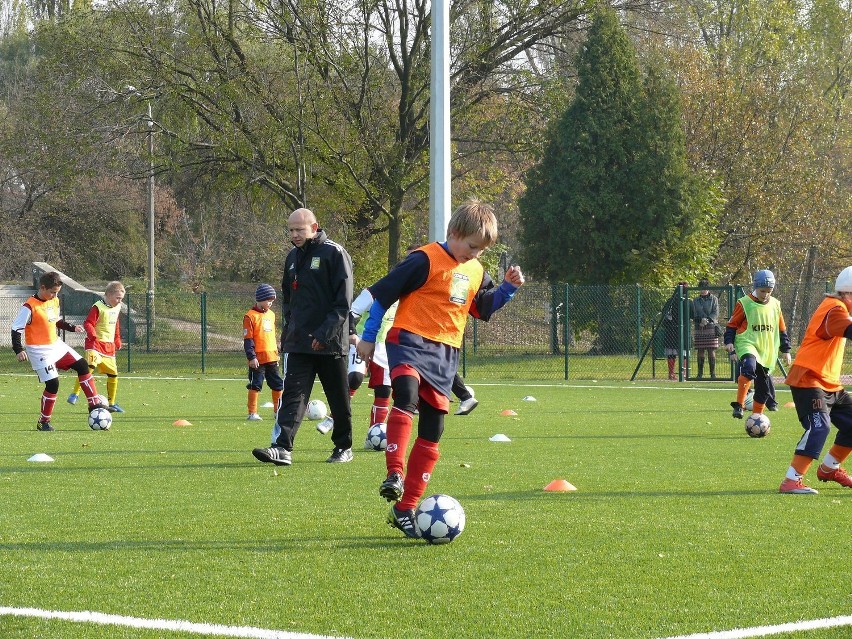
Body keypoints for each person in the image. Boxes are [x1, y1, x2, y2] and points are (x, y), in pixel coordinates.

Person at [356, 199, 525, 538]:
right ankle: (394, 474)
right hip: (408, 339)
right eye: (471, 246)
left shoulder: (477, 270)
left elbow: (481, 309)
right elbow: (382, 294)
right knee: (404, 396)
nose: (474, 255)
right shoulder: (424, 259)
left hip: (445, 353)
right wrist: (367, 335)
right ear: (454, 232)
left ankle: (404, 509)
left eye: (480, 251)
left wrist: (508, 288)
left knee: (433, 431)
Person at [251, 208, 354, 466]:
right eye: (291, 230)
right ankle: (282, 447)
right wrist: (291, 329)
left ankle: (343, 446)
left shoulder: (335, 253)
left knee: (338, 399)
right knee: (292, 396)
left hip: (329, 344)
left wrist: (324, 333)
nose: (294, 234)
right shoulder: (292, 258)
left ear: (314, 227)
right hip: (299, 343)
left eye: (299, 229)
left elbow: (343, 303)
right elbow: (288, 299)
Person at [778, 266, 852, 494]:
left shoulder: (838, 306)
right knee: (820, 427)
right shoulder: (835, 308)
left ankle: (830, 468)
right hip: (809, 379)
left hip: (828, 383)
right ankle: (791, 480)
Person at [11, 271, 106, 431]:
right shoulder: (29, 306)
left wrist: (71, 327)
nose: (55, 295)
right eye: (53, 292)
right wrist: (18, 349)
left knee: (82, 365)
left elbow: (56, 321)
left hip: (55, 344)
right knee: (53, 383)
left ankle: (94, 404)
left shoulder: (53, 301)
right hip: (38, 350)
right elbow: (16, 329)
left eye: (57, 292)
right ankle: (44, 421)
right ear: (42, 287)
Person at [723, 269, 791, 419]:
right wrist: (729, 341)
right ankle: (739, 406)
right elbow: (732, 324)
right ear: (755, 287)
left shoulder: (776, 304)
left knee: (764, 387)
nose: (766, 294)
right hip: (747, 343)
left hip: (766, 349)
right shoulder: (744, 303)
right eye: (762, 291)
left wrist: (786, 350)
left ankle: (757, 417)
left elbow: (781, 329)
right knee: (749, 368)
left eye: (769, 291)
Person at [67, 280, 126, 412]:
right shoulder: (98, 307)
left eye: (121, 299)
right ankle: (75, 393)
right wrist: (92, 334)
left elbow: (115, 323)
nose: (119, 301)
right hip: (94, 343)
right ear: (109, 295)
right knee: (89, 367)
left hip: (109, 346)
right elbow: (88, 323)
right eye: (117, 298)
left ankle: (111, 403)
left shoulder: (117, 307)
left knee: (113, 375)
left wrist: (117, 339)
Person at [243, 283, 284, 422]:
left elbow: (271, 336)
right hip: (257, 359)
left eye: (272, 300)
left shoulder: (271, 315)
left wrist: (276, 352)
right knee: (256, 384)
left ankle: (277, 411)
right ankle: (252, 413)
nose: (271, 303)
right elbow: (248, 339)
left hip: (272, 357)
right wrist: (252, 357)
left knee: (278, 384)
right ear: (260, 299)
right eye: (269, 300)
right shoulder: (250, 316)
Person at [691, 279, 720, 379]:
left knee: (711, 350)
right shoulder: (695, 300)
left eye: (705, 288)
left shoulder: (714, 299)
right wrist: (700, 320)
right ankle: (700, 374)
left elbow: (715, 312)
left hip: (711, 326)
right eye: (701, 289)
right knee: (700, 350)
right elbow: (694, 313)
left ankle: (713, 374)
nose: (703, 291)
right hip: (699, 326)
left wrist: (707, 320)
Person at [661, 283, 687, 381]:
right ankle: (683, 373)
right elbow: (692, 313)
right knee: (683, 352)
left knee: (672, 352)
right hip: (682, 329)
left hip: (671, 329)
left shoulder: (670, 301)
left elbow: (664, 314)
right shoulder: (687, 301)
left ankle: (672, 373)